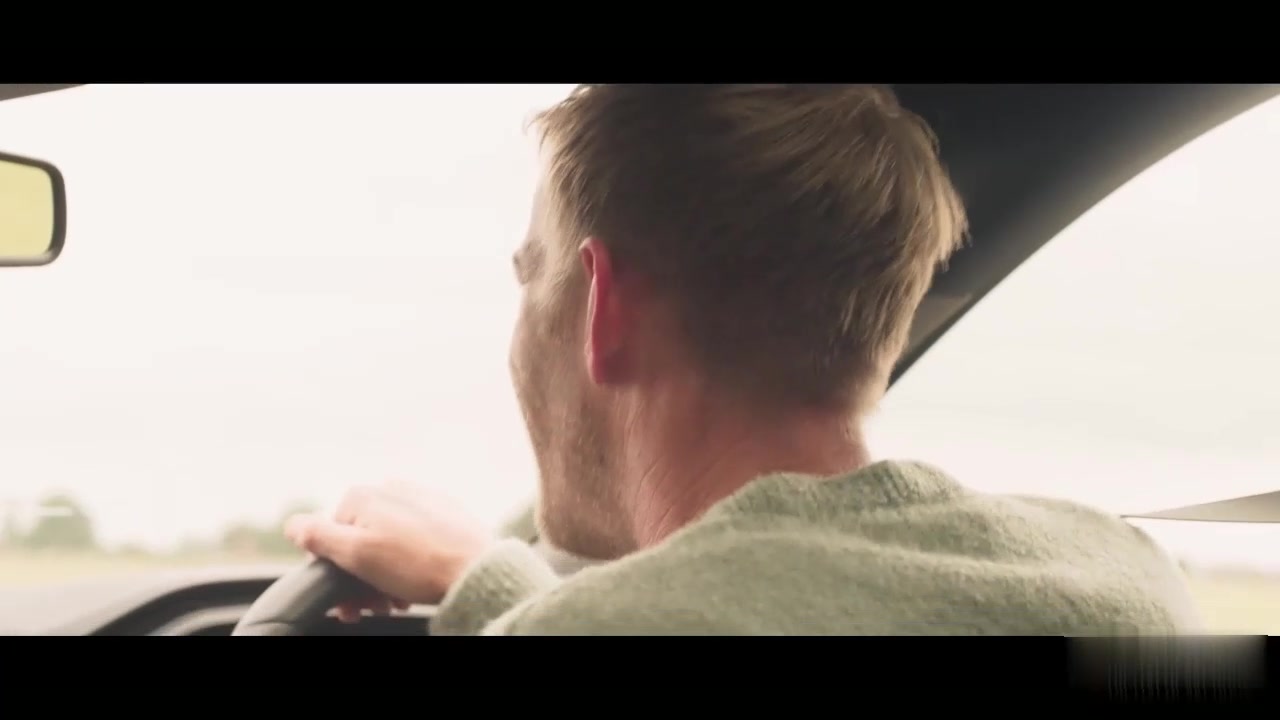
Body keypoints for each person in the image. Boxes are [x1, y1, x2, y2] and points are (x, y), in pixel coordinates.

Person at [283, 84, 1202, 635]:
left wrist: (494, 593)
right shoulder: (1124, 578)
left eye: (533, 279)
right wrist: (493, 577)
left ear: (606, 307)